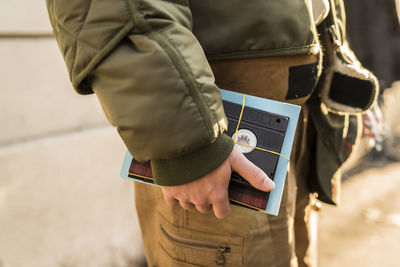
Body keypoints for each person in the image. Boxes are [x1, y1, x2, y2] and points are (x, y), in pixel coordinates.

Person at [46, 0, 364, 266]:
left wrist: (338, 59)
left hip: (286, 136)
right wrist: (190, 145)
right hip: (214, 145)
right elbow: (116, 12)